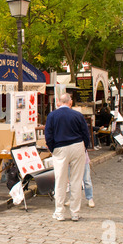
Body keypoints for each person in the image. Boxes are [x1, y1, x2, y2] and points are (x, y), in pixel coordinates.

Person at [45, 93, 90, 221]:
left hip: (60, 147)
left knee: (60, 180)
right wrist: (83, 147)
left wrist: (53, 148)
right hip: (77, 145)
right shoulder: (78, 115)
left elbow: (48, 134)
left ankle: (59, 212)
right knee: (76, 180)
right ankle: (75, 212)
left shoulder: (52, 115)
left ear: (59, 102)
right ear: (70, 102)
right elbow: (85, 133)